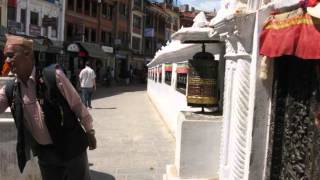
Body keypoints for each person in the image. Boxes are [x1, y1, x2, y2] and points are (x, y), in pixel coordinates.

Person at [0, 34, 97, 180]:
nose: (7, 60)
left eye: (11, 55)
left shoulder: (53, 76)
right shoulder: (10, 90)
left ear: (27, 53)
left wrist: (89, 131)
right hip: (46, 155)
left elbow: (77, 105)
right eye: (5, 56)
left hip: (71, 149)